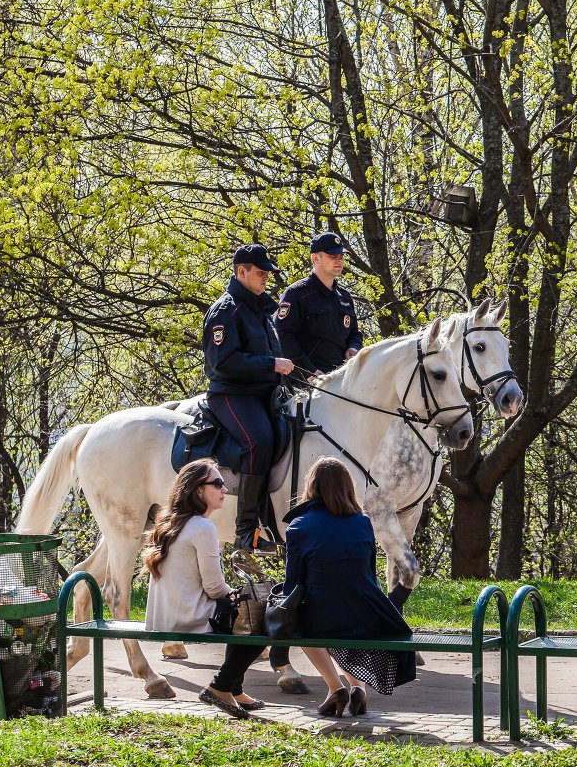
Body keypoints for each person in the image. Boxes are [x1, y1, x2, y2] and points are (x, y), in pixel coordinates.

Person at [280, 457, 416, 716]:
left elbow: (293, 583)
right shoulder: (363, 523)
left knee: (304, 625)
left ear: (312, 486)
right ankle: (358, 688)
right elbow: (368, 574)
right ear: (347, 488)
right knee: (346, 616)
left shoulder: (299, 526)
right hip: (365, 612)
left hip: (323, 616)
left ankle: (335, 687)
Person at [143, 458, 266, 719]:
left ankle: (234, 688)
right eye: (218, 483)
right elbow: (213, 587)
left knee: (241, 611)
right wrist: (235, 595)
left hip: (164, 616)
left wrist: (231, 597)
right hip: (189, 616)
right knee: (259, 617)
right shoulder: (203, 527)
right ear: (198, 490)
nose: (225, 489)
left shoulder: (169, 522)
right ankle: (221, 686)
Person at [203, 243, 294, 553]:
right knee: (259, 440)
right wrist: (271, 364)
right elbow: (223, 361)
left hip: (264, 394)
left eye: (268, 273)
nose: (266, 277)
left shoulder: (260, 308)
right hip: (231, 394)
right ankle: (245, 533)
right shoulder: (226, 310)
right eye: (260, 272)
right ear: (241, 272)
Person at [274, 233, 362, 376]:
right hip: (308, 383)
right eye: (333, 256)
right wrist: (310, 372)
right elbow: (283, 336)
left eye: (341, 256)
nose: (339, 260)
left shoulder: (344, 296)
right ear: (315, 258)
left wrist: (354, 348)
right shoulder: (296, 294)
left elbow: (355, 333)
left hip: (343, 379)